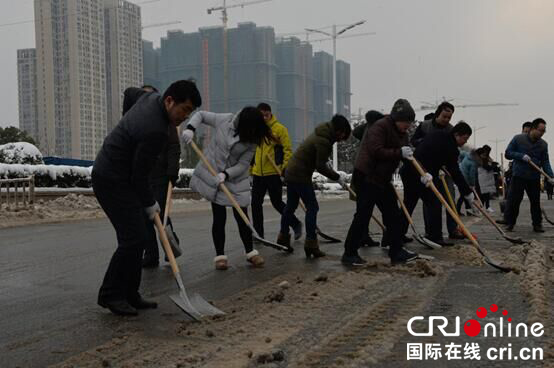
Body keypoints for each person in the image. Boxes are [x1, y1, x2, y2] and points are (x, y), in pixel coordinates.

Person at [93, 80, 201, 316]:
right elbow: (140, 176)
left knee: (140, 237)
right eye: (184, 110)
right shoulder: (154, 130)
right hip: (111, 178)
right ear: (170, 101)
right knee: (132, 238)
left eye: (189, 112)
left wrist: (125, 122)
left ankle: (131, 293)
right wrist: (151, 204)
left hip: (120, 174)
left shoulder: (151, 98)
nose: (184, 117)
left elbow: (130, 93)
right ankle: (110, 294)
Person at [181, 107, 271, 270]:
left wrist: (227, 174)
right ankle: (220, 257)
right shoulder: (225, 120)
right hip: (214, 175)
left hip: (235, 179)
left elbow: (244, 164)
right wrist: (190, 128)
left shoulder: (252, 139)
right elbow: (201, 115)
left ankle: (251, 252)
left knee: (242, 216)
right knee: (219, 217)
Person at [342, 99, 418, 266]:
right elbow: (376, 151)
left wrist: (422, 173)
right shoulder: (380, 127)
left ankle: (396, 251)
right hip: (367, 176)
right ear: (397, 118)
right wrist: (399, 153)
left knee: (393, 215)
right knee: (363, 215)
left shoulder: (402, 134)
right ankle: (349, 253)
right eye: (406, 122)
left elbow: (407, 155)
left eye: (410, 123)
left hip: (382, 179)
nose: (408, 126)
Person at [121, 85, 182, 268]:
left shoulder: (165, 121)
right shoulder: (135, 120)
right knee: (145, 215)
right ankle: (151, 254)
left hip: (161, 175)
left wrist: (172, 170)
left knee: (160, 212)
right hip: (142, 176)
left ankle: (171, 246)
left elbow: (174, 147)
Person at [276, 114, 351, 258]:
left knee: (290, 206)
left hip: (291, 172)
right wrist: (337, 177)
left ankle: (283, 237)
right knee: (312, 207)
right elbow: (320, 166)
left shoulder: (322, 133)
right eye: (342, 136)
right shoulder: (324, 140)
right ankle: (311, 244)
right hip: (300, 175)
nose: (341, 140)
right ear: (339, 131)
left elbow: (318, 158)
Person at [400, 122, 475, 246]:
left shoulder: (437, 134)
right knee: (434, 203)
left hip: (410, 170)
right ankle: (435, 237)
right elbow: (455, 172)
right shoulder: (451, 148)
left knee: (409, 204)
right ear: (457, 134)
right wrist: (467, 192)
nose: (464, 142)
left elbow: (424, 149)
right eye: (464, 138)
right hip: (420, 173)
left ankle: (395, 235)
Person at [406, 102, 464, 240]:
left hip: (445, 169)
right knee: (431, 201)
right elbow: (413, 140)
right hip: (426, 168)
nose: (446, 120)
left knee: (450, 198)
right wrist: (426, 142)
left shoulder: (450, 130)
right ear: (438, 113)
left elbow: (453, 152)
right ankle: (430, 231)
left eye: (449, 118)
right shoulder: (425, 126)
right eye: (444, 116)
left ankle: (453, 229)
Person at [250, 103, 302, 240]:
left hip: (273, 172)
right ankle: (258, 233)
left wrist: (284, 168)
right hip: (258, 174)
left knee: (277, 203)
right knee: (255, 204)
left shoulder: (280, 129)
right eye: (261, 116)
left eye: (266, 115)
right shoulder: (256, 129)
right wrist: (251, 168)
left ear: (270, 114)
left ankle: (295, 223)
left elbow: (287, 150)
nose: (264, 118)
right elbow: (251, 151)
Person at [503, 118, 554, 232]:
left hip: (534, 177)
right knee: (515, 201)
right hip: (519, 176)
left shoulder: (543, 144)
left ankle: (537, 224)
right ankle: (510, 223)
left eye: (544, 131)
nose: (542, 133)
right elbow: (508, 153)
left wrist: (550, 176)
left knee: (535, 202)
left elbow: (545, 161)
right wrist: (521, 156)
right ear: (533, 129)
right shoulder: (518, 139)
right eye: (540, 130)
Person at [351, 109, 385, 247]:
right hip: (368, 173)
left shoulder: (368, 128)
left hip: (362, 171)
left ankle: (363, 236)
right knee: (365, 209)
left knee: (363, 208)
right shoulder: (377, 130)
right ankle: (360, 238)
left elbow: (356, 132)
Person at [457, 148, 482, 215]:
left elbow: (461, 152)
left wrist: (459, 162)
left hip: (461, 175)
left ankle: (468, 210)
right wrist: (472, 184)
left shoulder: (468, 155)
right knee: (464, 195)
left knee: (465, 195)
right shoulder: (473, 162)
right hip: (465, 179)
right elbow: (472, 175)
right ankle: (458, 210)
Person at [477, 145, 497, 212]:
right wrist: (494, 165)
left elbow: (489, 165)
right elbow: (487, 167)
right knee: (483, 193)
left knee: (487, 192)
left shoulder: (487, 157)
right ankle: (482, 206)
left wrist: (493, 164)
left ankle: (487, 206)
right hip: (483, 177)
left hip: (488, 177)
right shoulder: (480, 157)